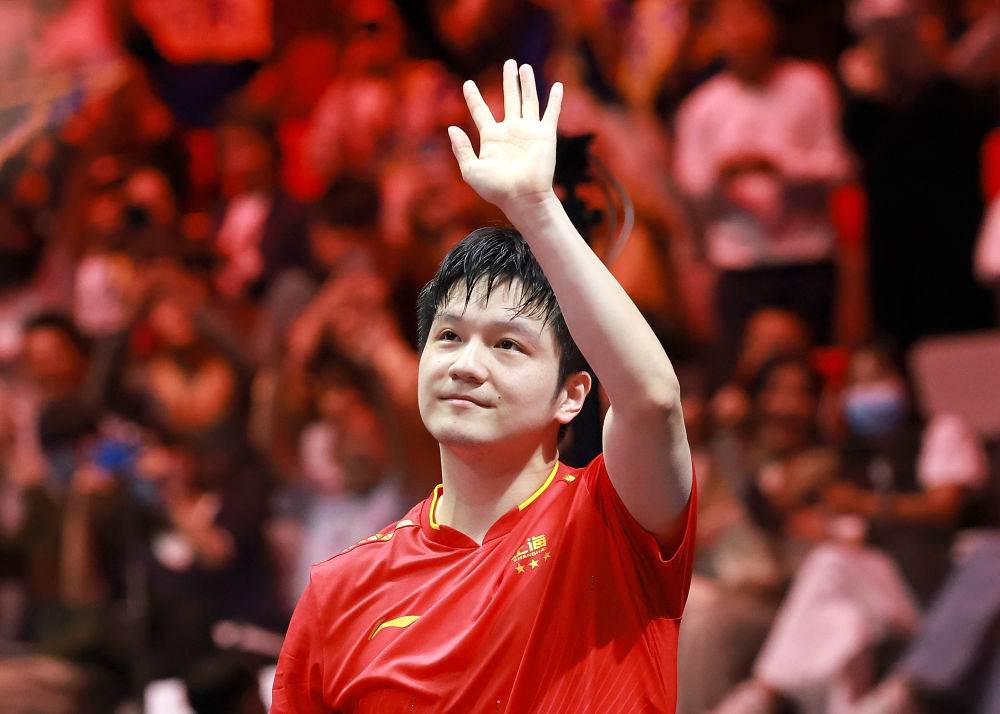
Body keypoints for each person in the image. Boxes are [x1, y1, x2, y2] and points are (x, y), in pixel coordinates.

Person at [271, 61, 696, 712]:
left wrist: (536, 211)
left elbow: (653, 400)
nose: (467, 364)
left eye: (507, 345)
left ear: (572, 395)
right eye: (447, 336)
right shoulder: (340, 591)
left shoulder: (613, 522)